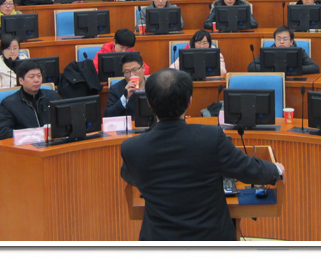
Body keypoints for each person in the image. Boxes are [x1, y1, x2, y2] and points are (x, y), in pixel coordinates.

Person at [120, 68, 284, 241]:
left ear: (149, 103)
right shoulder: (211, 137)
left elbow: (130, 177)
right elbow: (247, 169)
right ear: (189, 101)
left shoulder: (132, 148)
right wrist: (276, 170)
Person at [0, 60, 62, 140]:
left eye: (39, 76)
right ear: (21, 81)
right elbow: (3, 132)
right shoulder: (9, 104)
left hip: (53, 143)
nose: (36, 80)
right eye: (31, 77)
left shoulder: (52, 96)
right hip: (26, 144)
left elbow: (65, 122)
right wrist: (32, 135)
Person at [247, 26, 320, 74]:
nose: (281, 42)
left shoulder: (299, 52)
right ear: (275, 41)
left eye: (285, 39)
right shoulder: (268, 52)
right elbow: (251, 66)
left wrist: (293, 70)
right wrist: (274, 70)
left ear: (291, 42)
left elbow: (315, 68)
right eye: (278, 39)